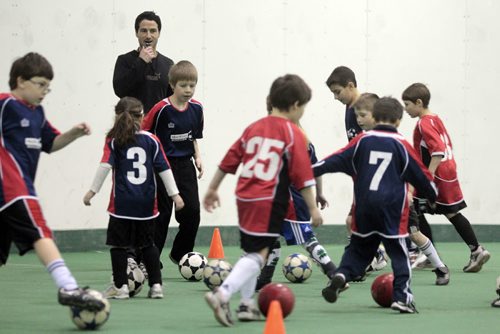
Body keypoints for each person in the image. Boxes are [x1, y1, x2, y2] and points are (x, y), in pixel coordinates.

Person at [203, 74, 323, 326]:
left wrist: (213, 188)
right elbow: (304, 177)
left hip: (244, 196)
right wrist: (313, 209)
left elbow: (229, 160)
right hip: (268, 199)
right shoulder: (293, 134)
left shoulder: (254, 127)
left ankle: (246, 305)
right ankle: (223, 293)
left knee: (251, 251)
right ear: (294, 106)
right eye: (303, 108)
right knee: (260, 255)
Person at [0, 52, 105, 312]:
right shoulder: (5, 104)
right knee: (41, 231)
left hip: (14, 194)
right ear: (21, 81)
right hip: (14, 190)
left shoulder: (37, 113)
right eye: (40, 84)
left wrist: (74, 134)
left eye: (48, 86)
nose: (45, 91)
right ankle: (68, 286)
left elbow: (51, 143)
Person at [314, 97, 438, 314]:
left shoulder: (361, 141)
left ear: (375, 117)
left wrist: (309, 170)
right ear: (398, 121)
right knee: (399, 254)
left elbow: (333, 160)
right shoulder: (401, 145)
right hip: (391, 209)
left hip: (364, 208)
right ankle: (402, 298)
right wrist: (432, 195)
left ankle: (341, 275)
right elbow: (421, 176)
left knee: (358, 250)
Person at [83, 97, 184, 299]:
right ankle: (156, 286)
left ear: (117, 116)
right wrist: (176, 195)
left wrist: (92, 191)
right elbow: (164, 168)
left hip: (122, 204)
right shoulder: (151, 140)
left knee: (119, 246)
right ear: (143, 116)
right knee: (148, 245)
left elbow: (105, 166)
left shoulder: (114, 141)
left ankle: (120, 287)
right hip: (146, 204)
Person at [353, 93, 449, 285]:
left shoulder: (398, 141)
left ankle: (440, 267)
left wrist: (413, 191)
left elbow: (412, 169)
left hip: (399, 200)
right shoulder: (364, 141)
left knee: (414, 234)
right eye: (358, 116)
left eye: (364, 115)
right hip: (376, 200)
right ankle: (362, 266)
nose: (359, 120)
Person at [402, 83, 490, 273]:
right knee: (452, 213)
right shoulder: (435, 119)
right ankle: (476, 249)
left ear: (419, 102)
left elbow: (438, 150)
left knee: (414, 207)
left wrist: (429, 175)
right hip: (449, 172)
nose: (405, 109)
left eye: (407, 104)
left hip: (437, 174)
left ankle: (428, 253)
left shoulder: (423, 123)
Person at [256, 97, 337, 290]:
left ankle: (334, 272)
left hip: (289, 199)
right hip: (296, 199)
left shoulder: (280, 139)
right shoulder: (304, 138)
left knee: (307, 240)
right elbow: (315, 169)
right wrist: (319, 193)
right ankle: (264, 279)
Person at [325, 66, 387, 274]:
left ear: (350, 86)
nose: (335, 97)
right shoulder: (350, 107)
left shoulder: (365, 110)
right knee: (354, 220)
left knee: (355, 220)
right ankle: (375, 255)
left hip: (371, 176)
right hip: (360, 174)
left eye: (337, 92)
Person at [142, 60, 204, 265]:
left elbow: (193, 136)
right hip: (162, 167)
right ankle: (150, 258)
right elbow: (144, 134)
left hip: (185, 166)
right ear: (172, 85)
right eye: (183, 85)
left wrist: (198, 157)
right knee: (162, 215)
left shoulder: (197, 109)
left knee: (192, 212)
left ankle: (181, 254)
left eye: (192, 85)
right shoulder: (161, 109)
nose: (188, 90)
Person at [113, 11, 174, 113]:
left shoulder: (168, 64)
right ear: (137, 33)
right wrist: (141, 62)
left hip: (157, 125)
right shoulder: (124, 60)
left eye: (153, 31)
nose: (148, 36)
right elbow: (120, 91)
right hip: (132, 124)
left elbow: (172, 100)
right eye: (144, 31)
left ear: (159, 33)